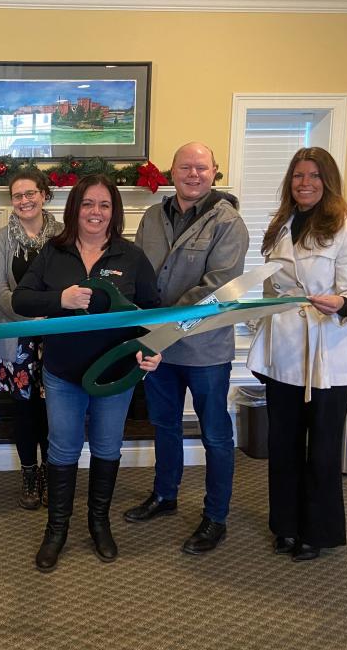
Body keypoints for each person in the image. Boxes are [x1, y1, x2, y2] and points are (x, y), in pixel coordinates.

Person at [13, 174, 162, 572]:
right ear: (75, 209)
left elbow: (156, 313)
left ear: (113, 212)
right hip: (62, 374)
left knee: (107, 447)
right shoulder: (53, 253)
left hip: (115, 374)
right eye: (88, 204)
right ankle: (56, 530)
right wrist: (58, 299)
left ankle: (99, 524)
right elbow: (21, 300)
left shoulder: (131, 257)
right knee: (62, 448)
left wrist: (154, 350)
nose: (96, 212)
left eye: (104, 205)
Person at [124, 141, 249, 555]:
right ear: (170, 172)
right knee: (165, 425)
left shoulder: (228, 223)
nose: (192, 174)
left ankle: (216, 517)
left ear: (216, 172)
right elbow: (140, 271)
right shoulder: (152, 216)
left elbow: (218, 286)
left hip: (205, 348)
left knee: (215, 435)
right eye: (184, 167)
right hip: (159, 347)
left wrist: (164, 322)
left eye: (201, 167)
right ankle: (165, 495)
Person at [247, 147, 347, 562]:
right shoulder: (279, 224)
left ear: (327, 181)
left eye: (314, 176)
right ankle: (284, 525)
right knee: (282, 443)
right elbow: (270, 286)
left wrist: (341, 303)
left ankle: (316, 531)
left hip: (329, 352)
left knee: (321, 448)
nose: (305, 183)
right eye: (298, 175)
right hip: (282, 349)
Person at [0, 169, 61, 509]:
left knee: (55, 410)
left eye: (31, 193)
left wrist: (51, 316)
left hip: (56, 338)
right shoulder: (1, 239)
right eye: (17, 195)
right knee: (25, 412)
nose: (24, 200)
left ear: (44, 194)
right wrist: (28, 317)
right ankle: (29, 474)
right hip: (16, 339)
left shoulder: (63, 235)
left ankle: (50, 472)